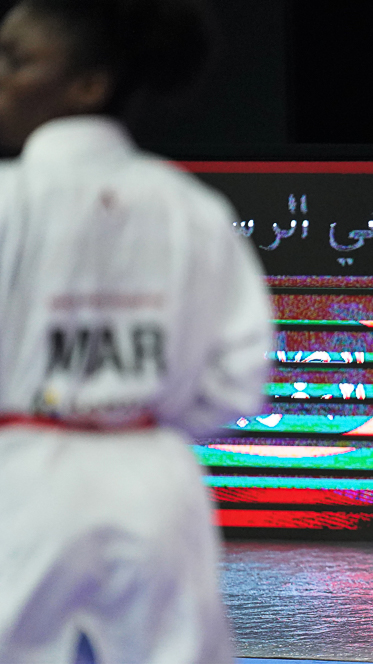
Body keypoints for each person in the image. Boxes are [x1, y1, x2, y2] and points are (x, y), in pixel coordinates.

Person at [0, 1, 273, 662]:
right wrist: (135, 417)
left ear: (89, 85)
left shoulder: (7, 199)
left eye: (16, 59)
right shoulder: (192, 208)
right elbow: (239, 375)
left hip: (25, 483)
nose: (0, 76)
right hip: (157, 487)